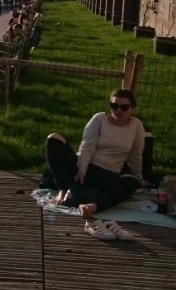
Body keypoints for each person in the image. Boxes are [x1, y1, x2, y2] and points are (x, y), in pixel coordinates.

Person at [45, 89, 144, 239]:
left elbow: (135, 156)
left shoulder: (136, 126)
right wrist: (82, 169)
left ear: (132, 108)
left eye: (124, 107)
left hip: (107, 174)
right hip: (82, 168)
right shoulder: (99, 119)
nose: (118, 110)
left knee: (130, 182)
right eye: (114, 105)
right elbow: (87, 146)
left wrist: (139, 179)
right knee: (54, 138)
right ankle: (63, 190)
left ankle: (93, 206)